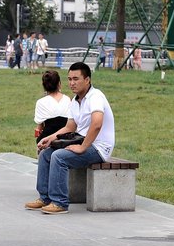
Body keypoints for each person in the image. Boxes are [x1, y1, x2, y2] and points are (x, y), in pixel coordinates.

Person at [25, 62, 115, 214]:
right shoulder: (75, 100)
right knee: (46, 153)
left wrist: (83, 147)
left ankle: (60, 203)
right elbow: (69, 127)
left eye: (76, 79)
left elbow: (97, 124)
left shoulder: (96, 96)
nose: (72, 83)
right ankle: (45, 198)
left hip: (99, 148)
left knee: (59, 157)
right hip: (84, 142)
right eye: (69, 79)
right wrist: (50, 138)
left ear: (87, 80)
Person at [34, 70, 71, 145]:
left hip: (47, 137)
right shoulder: (67, 99)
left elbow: (39, 128)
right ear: (59, 84)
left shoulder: (41, 102)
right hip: (66, 137)